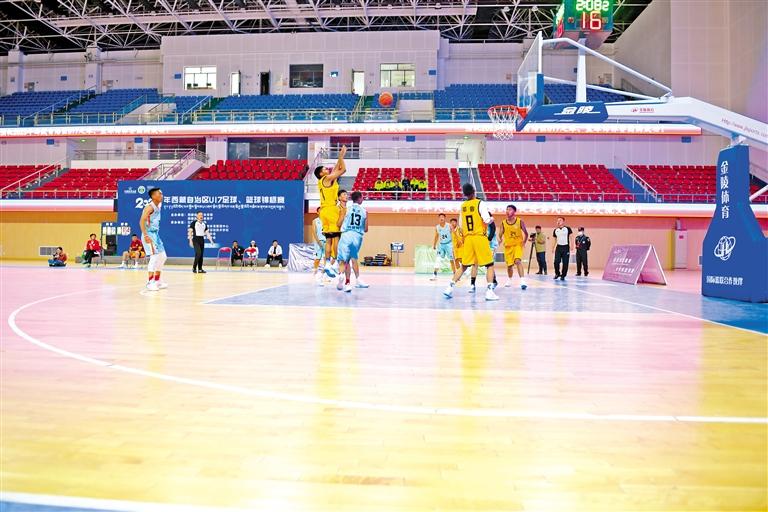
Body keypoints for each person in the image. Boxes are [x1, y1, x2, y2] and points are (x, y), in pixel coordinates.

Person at [443, 183, 498, 301]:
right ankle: (489, 291)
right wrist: (492, 219)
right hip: (479, 237)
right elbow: (486, 220)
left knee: (463, 266)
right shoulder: (480, 203)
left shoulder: (463, 206)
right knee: (489, 265)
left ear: (465, 194)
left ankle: (449, 287)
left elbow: (461, 225)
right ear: (474, 191)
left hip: (468, 239)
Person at [314, 144, 347, 277]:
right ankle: (335, 263)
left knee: (328, 239)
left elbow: (336, 168)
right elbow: (343, 169)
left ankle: (327, 263)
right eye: (324, 169)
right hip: (331, 209)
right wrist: (341, 156)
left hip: (323, 212)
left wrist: (340, 158)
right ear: (321, 173)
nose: (327, 169)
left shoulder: (324, 180)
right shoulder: (327, 178)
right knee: (336, 238)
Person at [336, 191, 369, 293]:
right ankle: (356, 280)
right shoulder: (365, 211)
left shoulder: (346, 209)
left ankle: (344, 278)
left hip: (346, 235)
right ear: (359, 198)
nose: (363, 199)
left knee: (343, 260)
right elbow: (366, 229)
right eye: (362, 197)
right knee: (353, 259)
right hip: (357, 237)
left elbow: (338, 224)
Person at [140, 187, 168, 291]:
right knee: (154, 257)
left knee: (163, 256)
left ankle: (157, 280)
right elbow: (141, 221)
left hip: (156, 234)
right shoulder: (149, 207)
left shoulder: (158, 205)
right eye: (159, 194)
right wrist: (145, 235)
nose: (161, 195)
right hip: (149, 234)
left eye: (161, 193)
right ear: (153, 196)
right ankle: (150, 282)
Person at [498, 204, 528, 290]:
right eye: (507, 209)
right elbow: (500, 234)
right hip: (508, 246)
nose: (507, 211)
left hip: (517, 245)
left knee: (518, 261)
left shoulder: (519, 221)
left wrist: (524, 242)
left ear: (514, 212)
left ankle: (522, 281)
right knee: (509, 266)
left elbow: (526, 233)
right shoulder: (503, 223)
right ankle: (509, 279)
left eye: (510, 209)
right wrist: (499, 240)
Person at [430, 213, 454, 280]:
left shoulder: (449, 225)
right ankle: (434, 274)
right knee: (438, 259)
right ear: (438, 218)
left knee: (451, 260)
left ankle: (455, 274)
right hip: (441, 245)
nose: (441, 218)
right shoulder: (437, 227)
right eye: (440, 217)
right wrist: (434, 245)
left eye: (443, 217)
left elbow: (453, 235)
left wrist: (454, 244)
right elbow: (436, 236)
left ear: (445, 218)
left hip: (449, 244)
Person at [552, 216, 574, 281]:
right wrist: (553, 247)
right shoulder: (555, 230)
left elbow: (571, 237)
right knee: (556, 262)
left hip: (566, 247)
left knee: (565, 262)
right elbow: (554, 240)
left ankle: (563, 275)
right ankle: (557, 273)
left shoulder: (568, 229)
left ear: (563, 221)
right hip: (558, 248)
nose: (558, 222)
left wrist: (572, 245)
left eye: (560, 220)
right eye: (557, 221)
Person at [311, 207, 327, 284]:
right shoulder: (315, 221)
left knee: (326, 259)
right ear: (317, 212)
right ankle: (315, 271)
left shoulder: (326, 220)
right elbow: (314, 232)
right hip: (318, 242)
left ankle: (324, 275)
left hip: (326, 241)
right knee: (317, 259)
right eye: (320, 211)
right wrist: (318, 242)